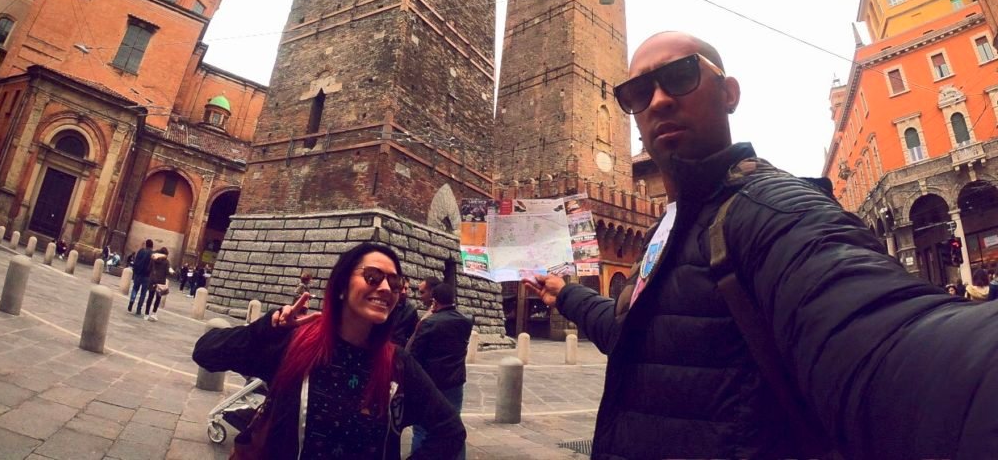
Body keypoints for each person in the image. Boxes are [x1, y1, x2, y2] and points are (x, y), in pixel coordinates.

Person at [525, 30, 998, 458]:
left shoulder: (771, 208)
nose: (660, 100)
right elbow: (644, 335)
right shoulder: (668, 228)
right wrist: (567, 294)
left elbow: (883, 338)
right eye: (638, 92)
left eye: (681, 75)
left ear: (729, 94)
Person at [192, 241, 465, 458]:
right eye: (372, 277)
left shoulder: (398, 364)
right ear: (342, 287)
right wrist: (268, 328)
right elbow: (206, 352)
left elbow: (450, 431)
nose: (385, 288)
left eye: (394, 284)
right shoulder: (293, 344)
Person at [408, 282, 472, 459]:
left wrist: (421, 323)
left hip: (430, 383)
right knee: (454, 424)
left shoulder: (428, 323)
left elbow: (412, 353)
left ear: (434, 301)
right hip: (455, 382)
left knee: (422, 428)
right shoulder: (467, 320)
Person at [144, 246, 170, 321]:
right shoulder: (166, 262)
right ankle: (154, 313)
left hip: (152, 280)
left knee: (150, 297)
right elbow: (167, 272)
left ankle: (146, 314)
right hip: (161, 282)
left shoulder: (153, 260)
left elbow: (149, 269)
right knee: (158, 298)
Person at [128, 239, 153, 316]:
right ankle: (139, 309)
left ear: (146, 244)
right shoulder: (152, 254)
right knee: (143, 293)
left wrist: (135, 271)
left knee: (135, 289)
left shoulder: (141, 251)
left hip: (138, 274)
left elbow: (136, 262)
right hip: (146, 276)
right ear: (152, 246)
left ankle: (131, 302)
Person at [389, 281, 419, 346]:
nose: (403, 292)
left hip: (398, 347)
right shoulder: (386, 304)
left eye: (406, 288)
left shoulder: (410, 309)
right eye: (401, 288)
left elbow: (412, 333)